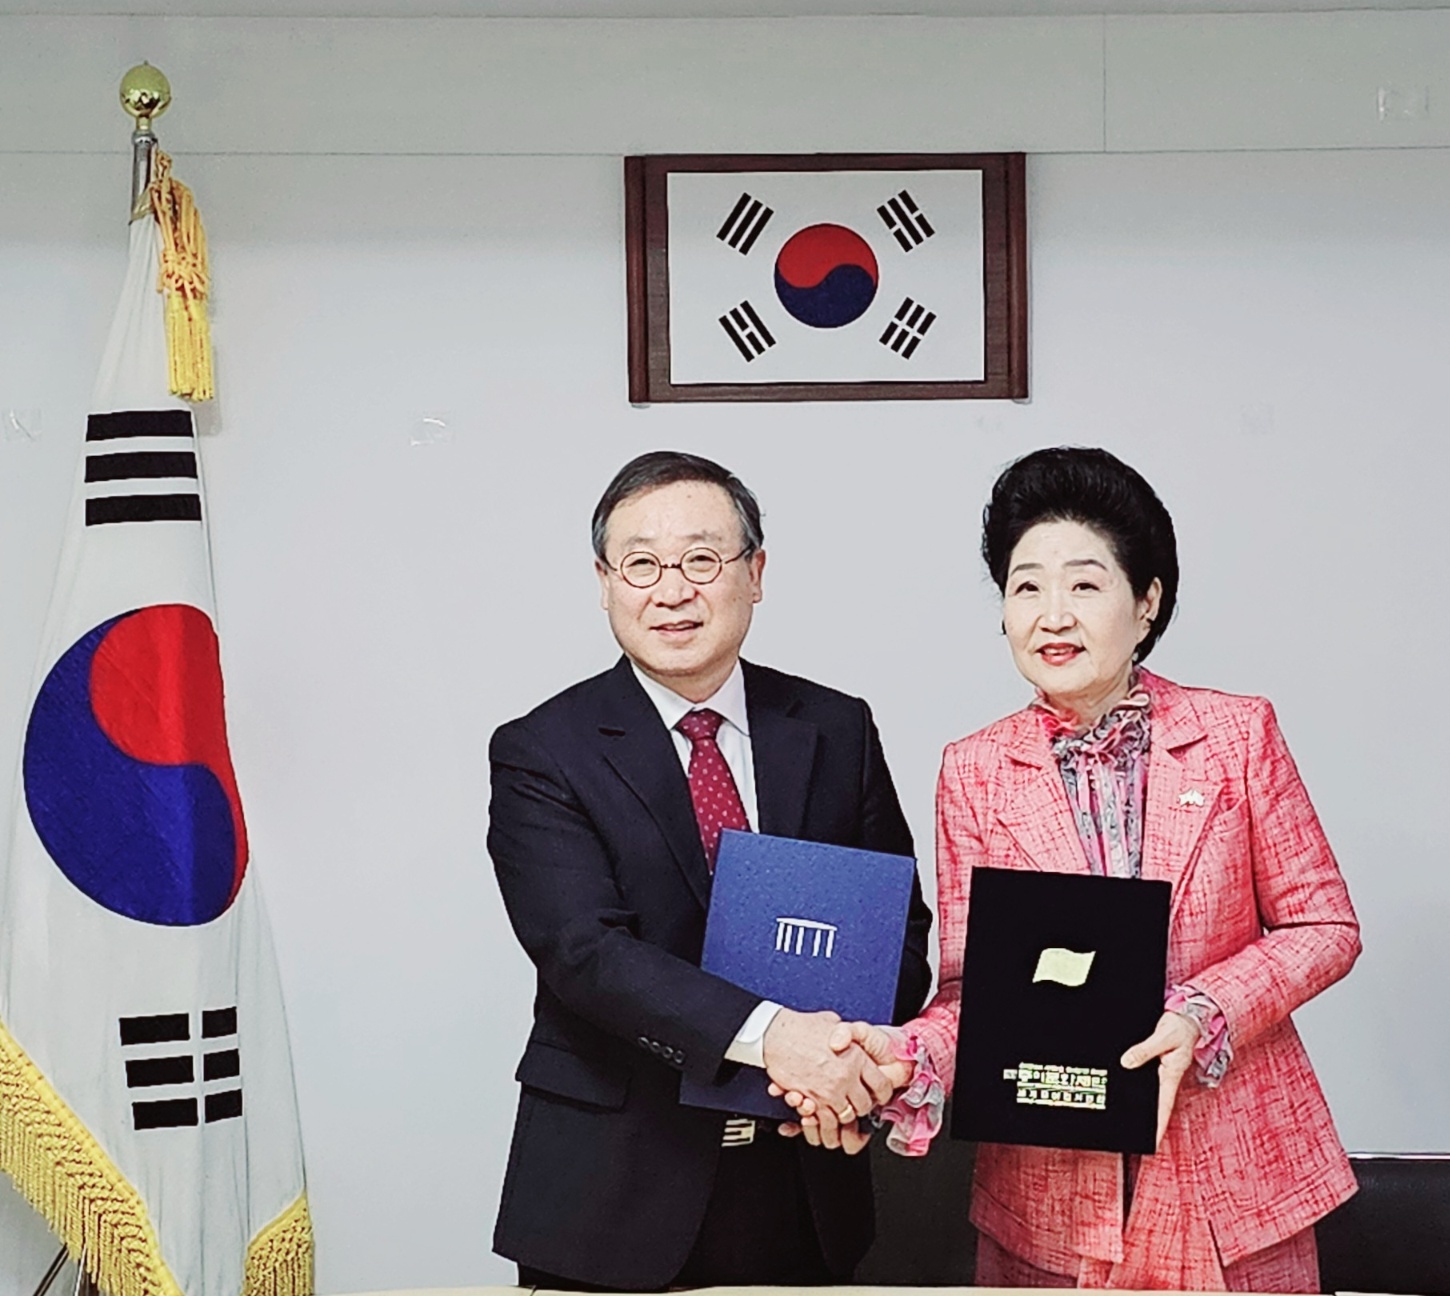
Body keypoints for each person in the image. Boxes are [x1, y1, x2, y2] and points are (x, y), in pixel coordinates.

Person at [781, 446, 1361, 1292]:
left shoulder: (1238, 736)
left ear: (1146, 602)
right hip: (1050, 1194)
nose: (1053, 615)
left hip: (1234, 1180)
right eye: (1027, 588)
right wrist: (905, 1056)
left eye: (1085, 585)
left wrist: (1201, 1011)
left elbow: (1324, 926)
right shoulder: (974, 770)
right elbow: (976, 991)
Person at [487, 450, 933, 1290]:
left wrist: (848, 1065)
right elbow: (585, 953)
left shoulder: (835, 727)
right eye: (641, 564)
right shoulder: (543, 750)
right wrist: (781, 1041)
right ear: (604, 582)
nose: (672, 591)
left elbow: (897, 932)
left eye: (701, 559)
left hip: (806, 1169)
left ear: (754, 574)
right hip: (616, 1191)